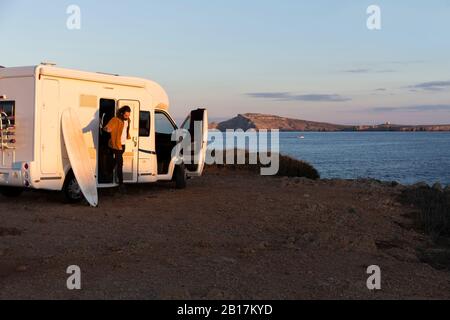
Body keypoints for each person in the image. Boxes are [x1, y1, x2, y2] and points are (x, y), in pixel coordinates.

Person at [104, 106, 132, 188]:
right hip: (117, 145)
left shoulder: (128, 121)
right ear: (122, 113)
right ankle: (121, 183)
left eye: (128, 115)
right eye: (126, 115)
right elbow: (108, 127)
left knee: (116, 161)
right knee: (120, 163)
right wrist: (107, 129)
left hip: (123, 145)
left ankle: (108, 172)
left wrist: (128, 135)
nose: (127, 117)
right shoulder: (115, 120)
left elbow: (126, 130)